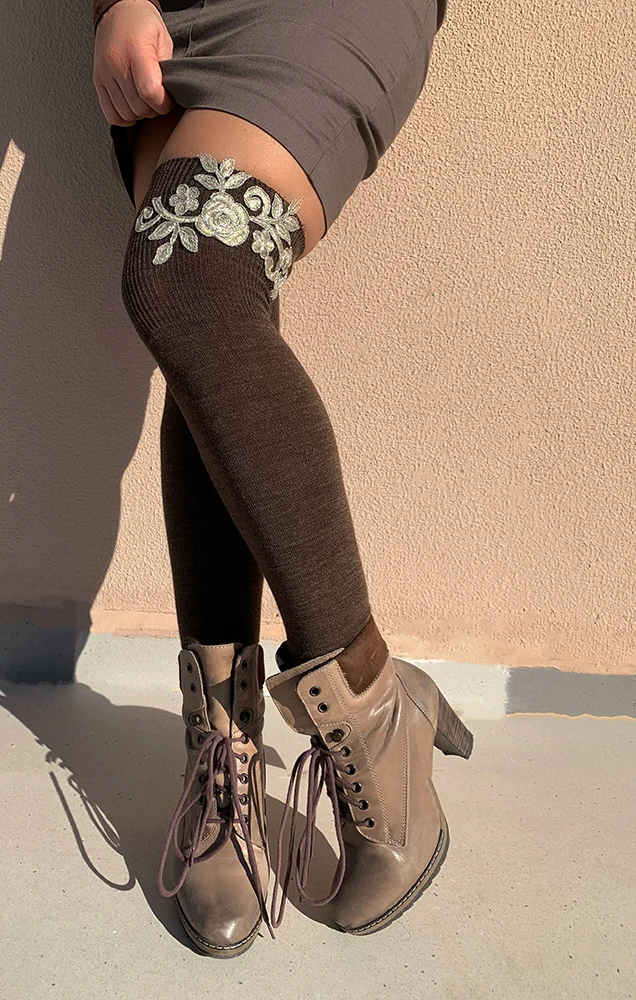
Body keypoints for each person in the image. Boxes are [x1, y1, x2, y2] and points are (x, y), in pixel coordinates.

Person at [91, 0, 472, 958]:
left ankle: (374, 708)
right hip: (166, 15)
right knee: (205, 334)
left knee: (188, 276)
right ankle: (224, 751)